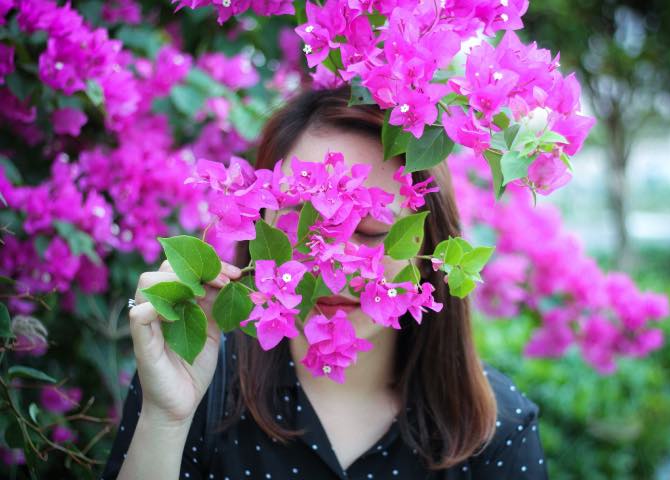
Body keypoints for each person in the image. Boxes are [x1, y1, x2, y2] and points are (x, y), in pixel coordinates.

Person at [102, 85, 549, 479]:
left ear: (429, 251)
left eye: (373, 232)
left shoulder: (498, 426)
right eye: (304, 223)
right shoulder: (201, 381)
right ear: (261, 227)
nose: (340, 263)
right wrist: (166, 419)